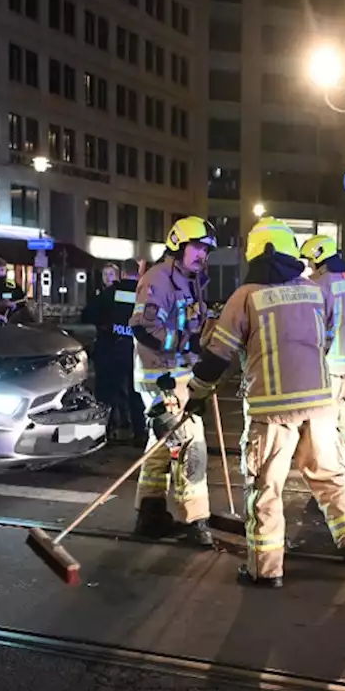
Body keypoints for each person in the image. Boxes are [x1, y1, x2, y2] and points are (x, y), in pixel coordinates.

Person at [184, 220, 345, 588]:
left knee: (265, 489)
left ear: (255, 252)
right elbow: (326, 337)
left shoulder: (246, 296)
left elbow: (216, 357)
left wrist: (196, 393)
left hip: (272, 413)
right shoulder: (313, 291)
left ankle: (266, 570)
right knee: (333, 481)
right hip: (320, 406)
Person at [128, 215, 217, 546]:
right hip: (161, 376)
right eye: (197, 247)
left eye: (206, 250)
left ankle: (149, 514)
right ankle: (195, 520)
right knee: (190, 444)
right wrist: (185, 343)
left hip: (179, 373)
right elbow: (144, 328)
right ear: (178, 243)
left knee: (162, 447)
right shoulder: (159, 279)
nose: (202, 255)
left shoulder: (190, 279)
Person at [300, 234, 345, 484]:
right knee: (339, 404)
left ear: (319, 257)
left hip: (326, 359)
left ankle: (335, 464)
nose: (309, 266)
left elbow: (315, 323)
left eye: (310, 260)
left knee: (323, 415)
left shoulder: (320, 285)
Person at [83, 259, 145, 446]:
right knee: (136, 394)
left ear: (123, 273)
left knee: (106, 394)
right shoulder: (144, 293)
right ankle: (140, 434)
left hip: (111, 349)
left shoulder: (110, 293)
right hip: (136, 352)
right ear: (138, 273)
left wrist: (105, 325)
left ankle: (105, 432)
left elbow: (87, 314)